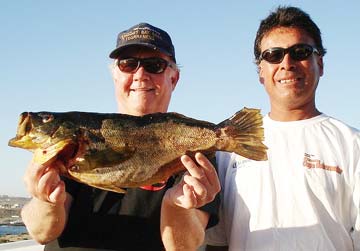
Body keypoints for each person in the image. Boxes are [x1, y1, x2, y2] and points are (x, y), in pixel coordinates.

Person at [21, 22, 220, 251]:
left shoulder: (194, 147)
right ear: (115, 75)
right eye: (128, 65)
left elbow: (183, 247)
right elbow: (42, 232)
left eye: (154, 65)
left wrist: (176, 205)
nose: (140, 75)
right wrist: (46, 199)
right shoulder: (70, 142)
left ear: (173, 79)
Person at [205, 6, 360, 251]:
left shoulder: (352, 144)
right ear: (261, 72)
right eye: (273, 55)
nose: (287, 64)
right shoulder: (228, 150)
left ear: (320, 63)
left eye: (301, 52)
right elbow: (215, 239)